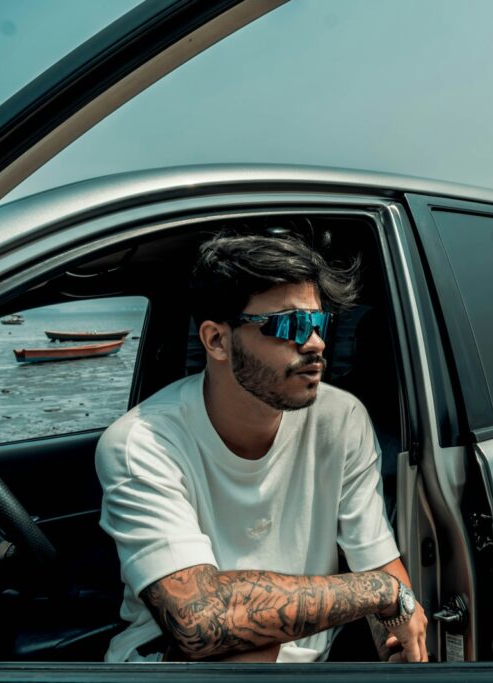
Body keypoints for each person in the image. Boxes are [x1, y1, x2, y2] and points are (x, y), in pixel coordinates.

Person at [95, 232, 428, 663]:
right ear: (217, 341)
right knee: (246, 646)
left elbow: (380, 565)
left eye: (319, 323)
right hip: (172, 670)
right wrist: (381, 593)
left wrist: (399, 645)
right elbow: (201, 622)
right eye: (289, 324)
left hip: (301, 674)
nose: (315, 343)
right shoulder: (142, 442)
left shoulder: (341, 419)